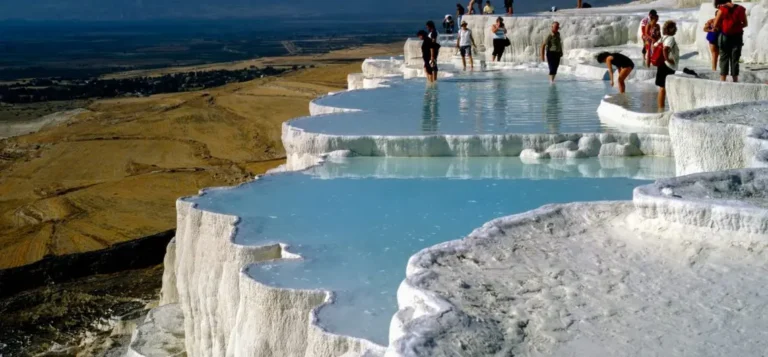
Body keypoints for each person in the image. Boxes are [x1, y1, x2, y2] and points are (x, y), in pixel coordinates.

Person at [714, 0, 748, 82]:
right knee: (735, 60)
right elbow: (745, 24)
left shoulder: (722, 9)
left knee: (724, 59)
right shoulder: (741, 9)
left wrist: (722, 26)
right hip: (737, 37)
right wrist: (736, 27)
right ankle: (735, 81)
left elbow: (715, 24)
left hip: (725, 37)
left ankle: (723, 81)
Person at [655, 20, 679, 109]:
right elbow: (665, 49)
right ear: (671, 29)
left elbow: (654, 46)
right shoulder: (671, 38)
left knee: (662, 88)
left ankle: (660, 107)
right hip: (667, 66)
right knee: (664, 88)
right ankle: (661, 108)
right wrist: (668, 59)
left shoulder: (662, 38)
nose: (676, 30)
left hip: (661, 64)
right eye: (675, 28)